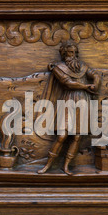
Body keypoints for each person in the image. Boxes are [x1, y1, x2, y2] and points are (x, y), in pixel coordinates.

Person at [37, 40, 100, 175]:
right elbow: (68, 83)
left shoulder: (82, 66)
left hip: (83, 101)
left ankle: (66, 166)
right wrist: (86, 86)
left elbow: (95, 74)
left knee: (77, 137)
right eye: (70, 52)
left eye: (75, 52)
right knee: (62, 136)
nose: (73, 55)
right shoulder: (58, 68)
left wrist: (95, 83)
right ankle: (47, 165)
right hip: (68, 101)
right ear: (64, 53)